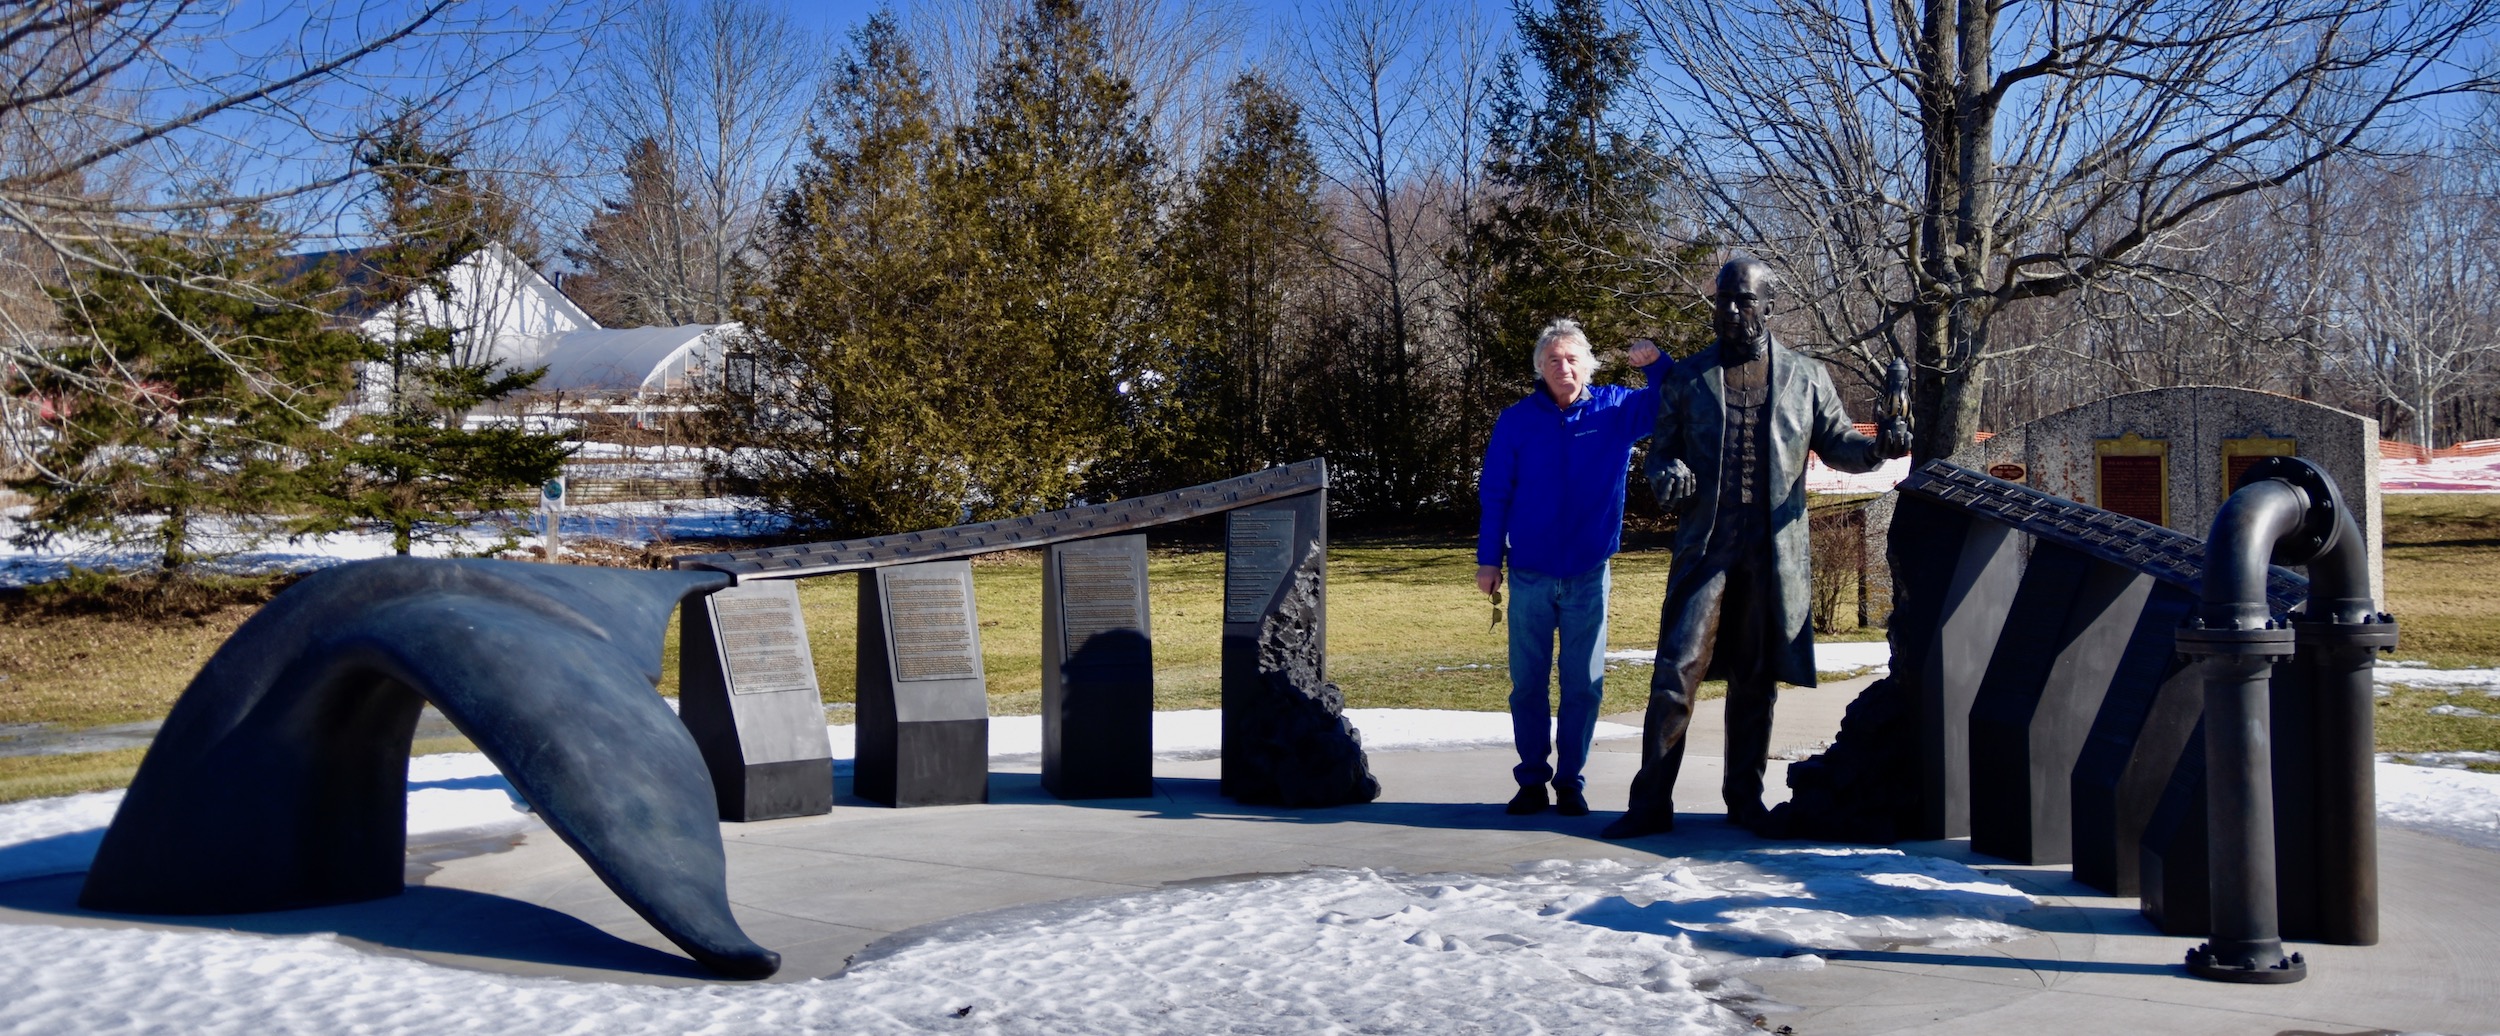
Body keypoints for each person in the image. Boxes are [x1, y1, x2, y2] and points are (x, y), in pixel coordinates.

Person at [1601, 258, 1909, 840]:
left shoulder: (1806, 376)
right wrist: (1667, 473)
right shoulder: (1688, 378)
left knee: (1754, 677)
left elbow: (1839, 441)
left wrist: (1877, 452)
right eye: (1724, 300)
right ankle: (1651, 802)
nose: (1731, 310)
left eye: (1743, 300)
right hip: (1706, 548)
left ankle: (1744, 799)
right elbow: (1660, 452)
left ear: (1769, 307)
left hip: (1771, 553)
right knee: (1676, 672)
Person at [1477, 318, 1663, 817]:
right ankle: (1532, 780)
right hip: (1530, 573)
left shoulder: (1616, 409)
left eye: (1573, 358)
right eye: (1554, 360)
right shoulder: (1516, 420)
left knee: (1583, 682)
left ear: (1588, 364)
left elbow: (1669, 405)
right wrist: (1488, 560)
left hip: (1588, 571)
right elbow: (1496, 493)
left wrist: (1657, 366)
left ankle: (1570, 781)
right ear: (1540, 368)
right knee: (1528, 684)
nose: (1565, 367)